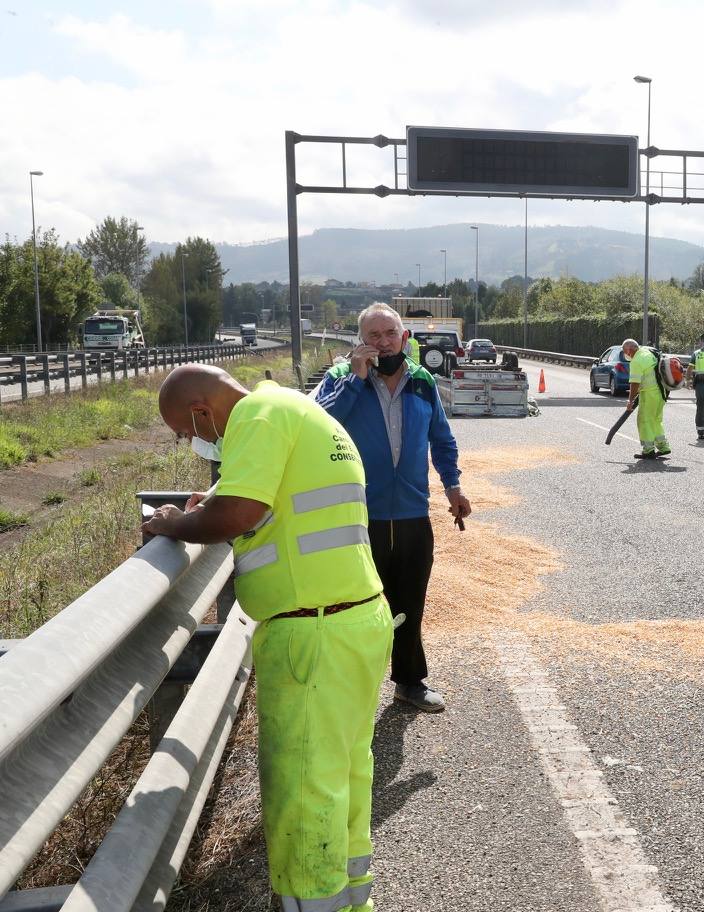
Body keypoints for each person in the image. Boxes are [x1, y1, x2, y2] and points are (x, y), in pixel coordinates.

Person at [142, 364, 391, 912]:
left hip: (310, 633)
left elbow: (239, 511)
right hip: (355, 620)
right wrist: (204, 508)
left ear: (203, 411)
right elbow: (276, 511)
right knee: (344, 775)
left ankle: (311, 903)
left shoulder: (256, 416)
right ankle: (351, 902)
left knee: (303, 789)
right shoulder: (299, 411)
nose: (195, 442)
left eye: (188, 431)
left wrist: (171, 524)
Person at [315, 303, 471, 713]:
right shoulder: (340, 378)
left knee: (409, 601)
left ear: (404, 339)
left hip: (411, 514)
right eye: (373, 337)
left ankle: (410, 681)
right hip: (356, 515)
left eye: (390, 335)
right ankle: (351, 688)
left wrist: (452, 487)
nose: (383, 344)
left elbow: (442, 438)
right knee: (356, 606)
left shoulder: (422, 383)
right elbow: (318, 425)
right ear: (360, 343)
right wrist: (356, 378)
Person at [623, 337, 669, 458]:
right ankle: (663, 446)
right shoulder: (647, 352)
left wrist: (630, 400)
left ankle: (648, 450)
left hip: (649, 394)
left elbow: (634, 383)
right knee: (656, 420)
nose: (625, 354)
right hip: (661, 392)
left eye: (625, 351)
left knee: (644, 420)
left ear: (629, 350)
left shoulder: (636, 361)